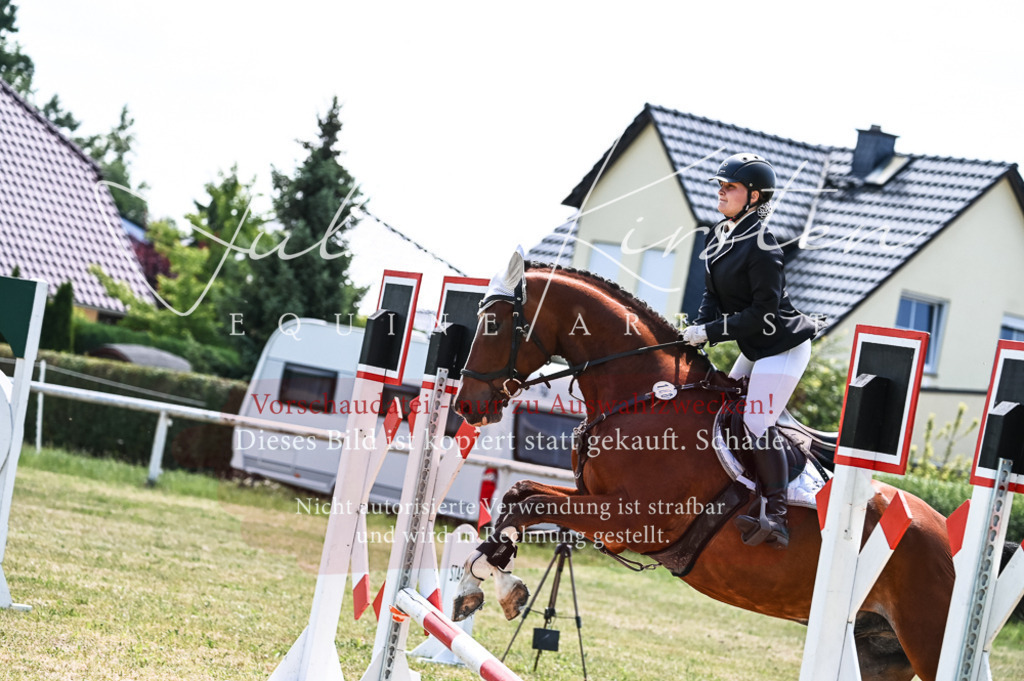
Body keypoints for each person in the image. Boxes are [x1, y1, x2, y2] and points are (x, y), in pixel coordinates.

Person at [681, 153, 818, 548]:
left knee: (756, 421)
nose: (721, 193)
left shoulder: (764, 248)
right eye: (720, 186)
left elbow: (762, 314)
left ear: (754, 197)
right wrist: (696, 332)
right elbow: (712, 295)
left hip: (783, 346)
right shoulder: (716, 235)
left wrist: (710, 331)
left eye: (731, 187)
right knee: (716, 407)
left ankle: (775, 515)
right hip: (757, 349)